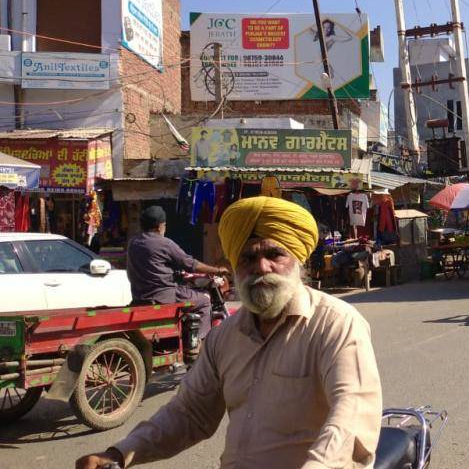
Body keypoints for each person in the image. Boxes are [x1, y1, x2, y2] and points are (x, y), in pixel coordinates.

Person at [77, 197, 382, 469]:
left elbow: (350, 417)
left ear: (298, 261)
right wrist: (119, 453)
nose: (261, 267)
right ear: (235, 266)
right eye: (247, 258)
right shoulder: (226, 337)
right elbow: (190, 413)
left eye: (275, 254)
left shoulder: (337, 324)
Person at [126, 206, 229, 341]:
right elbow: (192, 264)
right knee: (204, 300)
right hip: (164, 296)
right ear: (159, 226)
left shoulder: (133, 242)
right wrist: (218, 270)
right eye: (164, 225)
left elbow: (154, 266)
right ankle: (198, 345)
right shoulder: (164, 243)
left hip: (139, 296)